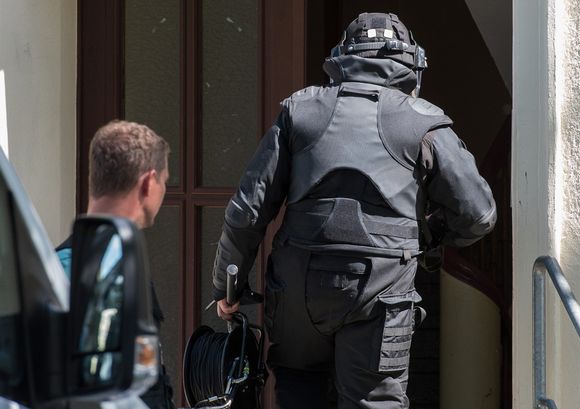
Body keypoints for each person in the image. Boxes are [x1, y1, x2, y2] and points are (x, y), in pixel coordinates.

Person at [213, 12, 497, 409]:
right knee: (374, 403)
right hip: (381, 290)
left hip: (298, 290)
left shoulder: (300, 110)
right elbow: (479, 214)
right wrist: (430, 237)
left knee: (298, 394)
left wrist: (228, 286)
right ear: (411, 65)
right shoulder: (426, 123)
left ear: (343, 58)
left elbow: (247, 209)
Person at [56, 120, 175, 409]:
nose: (164, 191)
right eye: (165, 181)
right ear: (148, 183)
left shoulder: (57, 265)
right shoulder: (108, 273)